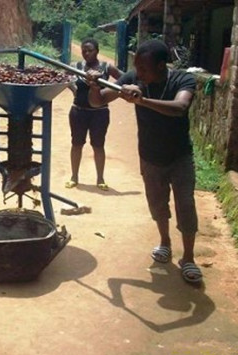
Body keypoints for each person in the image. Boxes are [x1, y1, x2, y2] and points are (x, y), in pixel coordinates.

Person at [87, 39, 202, 284]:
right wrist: (94, 86)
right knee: (157, 203)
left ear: (161, 66)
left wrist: (142, 101)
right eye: (137, 68)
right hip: (149, 157)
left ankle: (189, 258)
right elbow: (99, 101)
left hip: (180, 156)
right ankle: (165, 243)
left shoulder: (183, 79)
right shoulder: (133, 77)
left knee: (186, 206)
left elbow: (180, 107)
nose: (138, 74)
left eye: (144, 69)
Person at [65, 38, 122, 191]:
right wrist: (73, 89)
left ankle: (100, 179)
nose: (86, 53)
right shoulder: (76, 67)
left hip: (100, 113)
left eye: (90, 50)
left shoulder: (106, 67)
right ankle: (74, 177)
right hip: (78, 112)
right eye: (84, 51)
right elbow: (63, 77)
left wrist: (109, 92)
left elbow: (124, 79)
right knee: (76, 144)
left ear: (97, 51)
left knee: (98, 145)